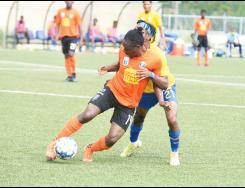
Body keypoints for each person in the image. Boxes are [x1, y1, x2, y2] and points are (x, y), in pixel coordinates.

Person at [46, 26, 169, 163]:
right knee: (87, 114)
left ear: (139, 47)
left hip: (128, 104)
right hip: (112, 90)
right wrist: (109, 68)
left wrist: (151, 75)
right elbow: (121, 64)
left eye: (129, 51)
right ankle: (53, 143)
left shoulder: (156, 58)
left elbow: (164, 83)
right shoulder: (125, 50)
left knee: (112, 139)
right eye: (125, 49)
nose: (125, 52)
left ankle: (90, 149)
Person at [117, 20, 181, 166]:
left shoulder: (157, 54)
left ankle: (174, 153)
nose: (138, 32)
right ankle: (133, 143)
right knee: (139, 116)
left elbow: (163, 83)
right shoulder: (130, 47)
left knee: (171, 118)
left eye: (142, 31)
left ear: (150, 37)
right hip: (146, 90)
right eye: (137, 29)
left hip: (165, 86)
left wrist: (151, 75)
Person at [56, 1, 82, 82]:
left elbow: (79, 26)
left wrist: (81, 38)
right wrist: (57, 34)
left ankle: (73, 72)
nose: (69, 2)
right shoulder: (60, 11)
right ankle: (69, 75)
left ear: (73, 2)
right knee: (66, 56)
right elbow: (57, 24)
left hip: (73, 37)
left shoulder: (76, 13)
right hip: (64, 38)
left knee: (71, 53)